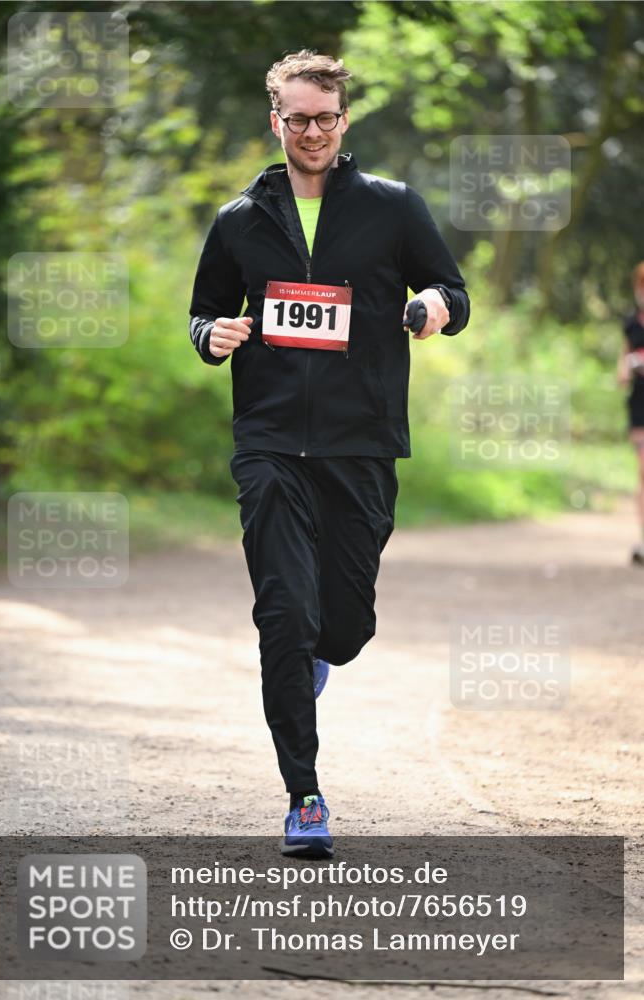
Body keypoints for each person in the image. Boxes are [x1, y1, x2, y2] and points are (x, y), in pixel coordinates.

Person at [188, 49, 470, 857]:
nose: (310, 131)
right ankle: (303, 796)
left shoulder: (391, 208)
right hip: (269, 441)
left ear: (342, 122)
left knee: (340, 629)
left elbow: (453, 291)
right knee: (284, 615)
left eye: (324, 118)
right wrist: (214, 337)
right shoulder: (240, 219)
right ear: (274, 120)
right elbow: (205, 312)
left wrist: (429, 309)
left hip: (360, 442)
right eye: (296, 118)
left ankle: (321, 650)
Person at [617, 260, 644, 566]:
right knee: (643, 471)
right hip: (639, 404)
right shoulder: (631, 325)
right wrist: (628, 368)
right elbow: (621, 367)